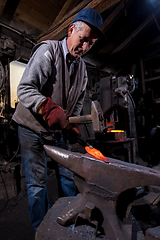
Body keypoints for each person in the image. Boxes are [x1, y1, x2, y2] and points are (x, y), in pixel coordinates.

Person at [12, 7, 105, 232]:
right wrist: (46, 106)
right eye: (83, 40)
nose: (85, 47)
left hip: (56, 132)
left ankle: (67, 227)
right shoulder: (48, 51)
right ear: (71, 29)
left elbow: (77, 103)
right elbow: (24, 89)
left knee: (68, 177)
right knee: (37, 186)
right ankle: (41, 231)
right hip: (31, 129)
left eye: (90, 44)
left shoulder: (82, 69)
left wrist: (71, 125)